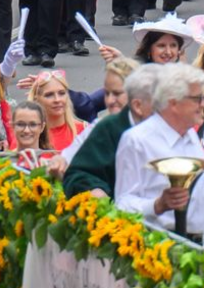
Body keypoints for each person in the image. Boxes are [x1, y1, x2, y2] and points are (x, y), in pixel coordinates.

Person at [114, 63, 204, 230]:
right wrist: (157, 205)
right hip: (163, 245)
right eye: (197, 99)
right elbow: (123, 203)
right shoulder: (136, 140)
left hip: (200, 241)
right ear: (173, 103)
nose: (203, 105)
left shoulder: (190, 133)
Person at [62, 64, 162, 199]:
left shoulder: (173, 126)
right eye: (107, 94)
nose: (109, 101)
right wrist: (95, 189)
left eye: (117, 94)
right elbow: (76, 169)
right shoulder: (106, 127)